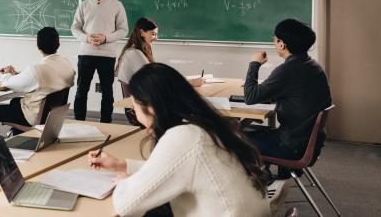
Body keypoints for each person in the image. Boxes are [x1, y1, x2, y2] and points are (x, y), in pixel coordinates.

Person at [88, 63, 270, 216]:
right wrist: (124, 165)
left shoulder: (184, 137)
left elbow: (127, 204)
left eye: (135, 106)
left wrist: (124, 183)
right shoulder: (207, 125)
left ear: (150, 108)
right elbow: (182, 167)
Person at [243, 18, 332, 177]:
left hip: (290, 146)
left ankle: (252, 185)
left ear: (282, 44)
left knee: (232, 139)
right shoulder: (312, 66)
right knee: (249, 132)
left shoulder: (288, 70)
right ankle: (268, 177)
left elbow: (250, 97)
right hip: (305, 142)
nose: (274, 41)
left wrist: (254, 63)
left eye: (275, 39)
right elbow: (297, 95)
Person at [0, 27, 76, 136]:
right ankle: (17, 134)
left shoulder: (37, 70)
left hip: (33, 117)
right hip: (52, 115)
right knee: (15, 101)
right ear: (58, 44)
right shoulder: (66, 64)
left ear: (38, 47)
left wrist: (8, 73)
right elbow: (41, 80)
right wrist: (16, 74)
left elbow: (9, 83)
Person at [72, 0, 129, 123]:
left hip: (107, 55)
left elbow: (123, 30)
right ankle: (78, 122)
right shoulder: (84, 5)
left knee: (107, 92)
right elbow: (75, 28)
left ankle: (105, 122)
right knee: (81, 91)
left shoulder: (117, 5)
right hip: (86, 53)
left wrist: (106, 38)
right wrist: (86, 38)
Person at [114, 17, 204, 86]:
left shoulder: (136, 51)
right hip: (141, 102)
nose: (156, 38)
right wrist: (190, 83)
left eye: (156, 34)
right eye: (153, 34)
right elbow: (154, 79)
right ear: (142, 33)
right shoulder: (134, 53)